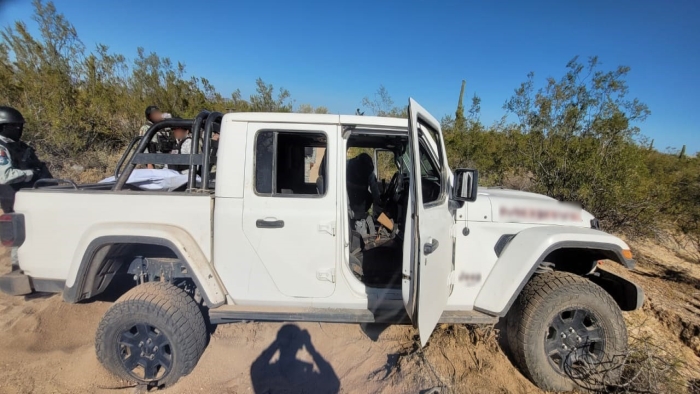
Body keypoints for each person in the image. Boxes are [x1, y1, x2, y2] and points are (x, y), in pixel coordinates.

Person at [0, 106, 52, 267]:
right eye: (14, 126)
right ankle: (19, 268)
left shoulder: (19, 146)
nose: (18, 129)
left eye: (19, 126)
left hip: (31, 195)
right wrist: (31, 173)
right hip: (14, 197)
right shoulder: (2, 148)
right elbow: (5, 176)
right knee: (20, 234)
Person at [346, 152, 382, 218]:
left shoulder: (369, 172)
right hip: (347, 197)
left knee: (359, 217)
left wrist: (379, 201)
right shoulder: (346, 166)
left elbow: (374, 189)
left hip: (361, 199)